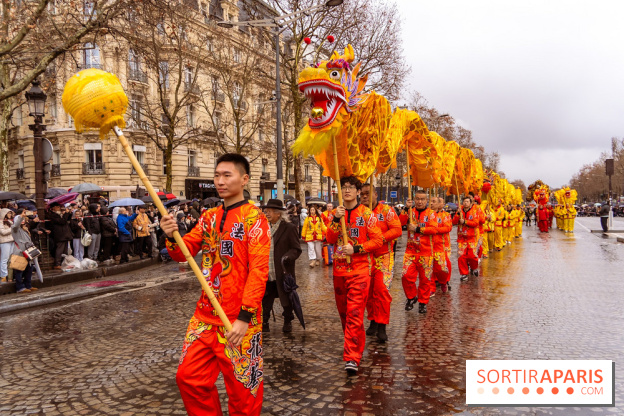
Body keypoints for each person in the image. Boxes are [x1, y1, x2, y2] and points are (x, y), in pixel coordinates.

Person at [161, 153, 270, 416]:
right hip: (204, 316)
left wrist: (245, 317)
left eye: (227, 175)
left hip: (238, 320)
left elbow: (259, 272)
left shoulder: (255, 219)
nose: (220, 181)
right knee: (189, 378)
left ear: (244, 179)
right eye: (217, 176)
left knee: (244, 392)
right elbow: (183, 253)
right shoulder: (209, 216)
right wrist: (171, 235)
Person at [326, 176, 383, 375]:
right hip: (339, 271)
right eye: (344, 187)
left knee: (355, 313)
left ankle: (352, 357)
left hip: (360, 271)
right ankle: (354, 343)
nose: (347, 190)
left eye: (351, 187)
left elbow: (378, 241)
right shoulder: (334, 213)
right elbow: (330, 238)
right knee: (344, 314)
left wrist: (356, 248)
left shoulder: (366, 214)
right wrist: (335, 219)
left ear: (359, 192)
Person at [359, 184, 401, 342]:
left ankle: (382, 325)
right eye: (362, 194)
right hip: (365, 258)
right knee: (368, 292)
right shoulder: (359, 212)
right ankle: (373, 321)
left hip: (384, 256)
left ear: (375, 194)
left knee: (381, 291)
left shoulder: (386, 211)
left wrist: (380, 239)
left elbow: (397, 230)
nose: (364, 196)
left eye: (367, 193)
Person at [261, 198, 302, 333]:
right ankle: (264, 321)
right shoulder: (262, 228)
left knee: (286, 297)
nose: (267, 214)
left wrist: (288, 257)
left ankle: (287, 321)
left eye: (270, 212)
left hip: (282, 270)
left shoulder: (289, 228)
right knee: (266, 297)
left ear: (278, 213)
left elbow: (296, 249)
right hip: (266, 270)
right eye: (266, 211)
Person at [401, 190, 438, 314]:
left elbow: (433, 229)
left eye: (422, 199)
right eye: (417, 199)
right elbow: (400, 222)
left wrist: (417, 229)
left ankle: (423, 302)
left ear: (426, 201)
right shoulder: (410, 212)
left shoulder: (431, 214)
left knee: (425, 279)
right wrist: (406, 208)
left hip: (426, 252)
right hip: (410, 251)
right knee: (406, 276)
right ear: (414, 199)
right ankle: (411, 297)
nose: (420, 201)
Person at [11, 211, 39, 294]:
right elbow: (15, 225)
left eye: (23, 219)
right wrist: (20, 217)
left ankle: (28, 285)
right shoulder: (15, 228)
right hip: (20, 252)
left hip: (27, 252)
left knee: (29, 269)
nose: (23, 220)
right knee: (19, 270)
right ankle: (20, 288)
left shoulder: (24, 229)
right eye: (21, 219)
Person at [430, 196, 452, 294]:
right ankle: (431, 287)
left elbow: (448, 228)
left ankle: (444, 281)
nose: (431, 203)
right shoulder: (427, 214)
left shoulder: (445, 215)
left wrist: (435, 230)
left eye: (433, 202)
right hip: (429, 244)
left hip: (442, 244)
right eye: (430, 201)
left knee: (443, 266)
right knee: (428, 267)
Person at [47, 202, 73, 269]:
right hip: (60, 235)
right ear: (53, 208)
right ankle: (57, 263)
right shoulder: (53, 215)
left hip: (65, 234)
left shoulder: (60, 214)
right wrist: (66, 214)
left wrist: (69, 213)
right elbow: (62, 221)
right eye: (57, 207)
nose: (59, 208)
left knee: (65, 250)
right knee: (59, 250)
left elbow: (67, 219)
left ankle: (63, 262)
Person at [0, 208, 15, 283]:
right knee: (4, 259)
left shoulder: (9, 221)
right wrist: (12, 229)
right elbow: (3, 232)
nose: (10, 215)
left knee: (10, 259)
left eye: (10, 213)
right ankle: (3, 275)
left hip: (11, 241)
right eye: (8, 213)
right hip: (5, 242)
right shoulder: (0, 222)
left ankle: (9, 276)